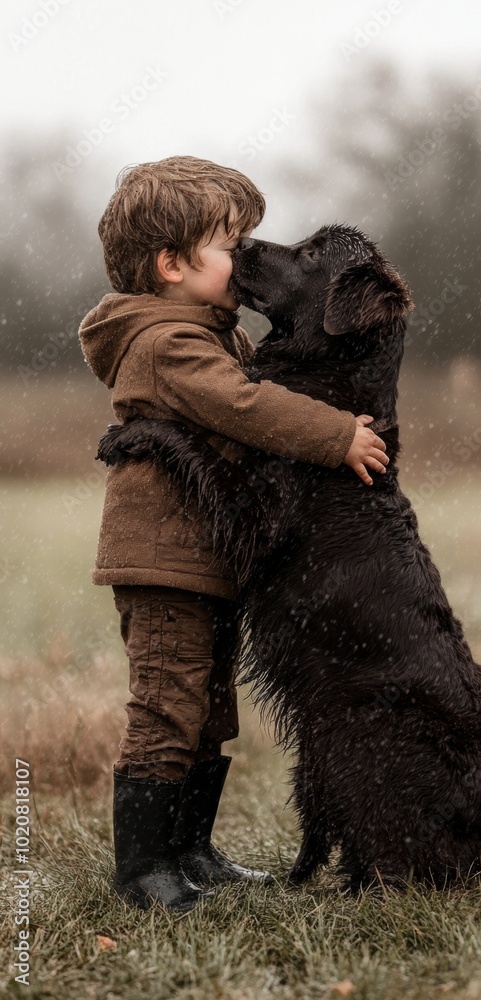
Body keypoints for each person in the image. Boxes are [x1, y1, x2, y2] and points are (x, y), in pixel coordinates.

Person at [78, 155, 389, 913]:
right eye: (229, 245)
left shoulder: (208, 332)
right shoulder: (168, 345)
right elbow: (248, 408)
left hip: (204, 562)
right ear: (172, 266)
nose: (245, 257)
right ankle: (144, 872)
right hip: (164, 564)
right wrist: (336, 434)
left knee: (209, 708)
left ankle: (191, 848)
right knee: (168, 706)